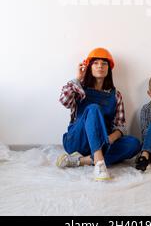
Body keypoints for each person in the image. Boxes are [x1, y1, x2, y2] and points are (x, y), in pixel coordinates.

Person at [57, 47, 141, 180]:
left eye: (104, 63)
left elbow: (121, 127)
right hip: (77, 141)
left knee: (134, 144)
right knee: (93, 108)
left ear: (109, 69)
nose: (100, 66)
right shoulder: (79, 89)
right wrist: (78, 79)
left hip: (103, 143)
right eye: (96, 63)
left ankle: (82, 161)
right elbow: (64, 101)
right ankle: (99, 161)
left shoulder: (116, 95)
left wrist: (111, 138)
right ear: (89, 67)